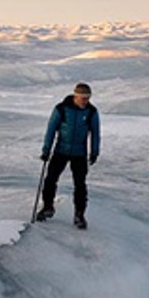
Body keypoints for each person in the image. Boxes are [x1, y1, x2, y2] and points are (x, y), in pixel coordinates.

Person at [36, 82, 100, 229]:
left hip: (80, 154)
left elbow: (95, 133)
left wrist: (94, 152)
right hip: (60, 151)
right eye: (83, 98)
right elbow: (51, 130)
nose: (85, 101)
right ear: (75, 96)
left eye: (87, 98)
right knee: (50, 179)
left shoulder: (91, 112)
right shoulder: (61, 109)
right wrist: (46, 150)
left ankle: (79, 215)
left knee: (80, 185)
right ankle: (47, 207)